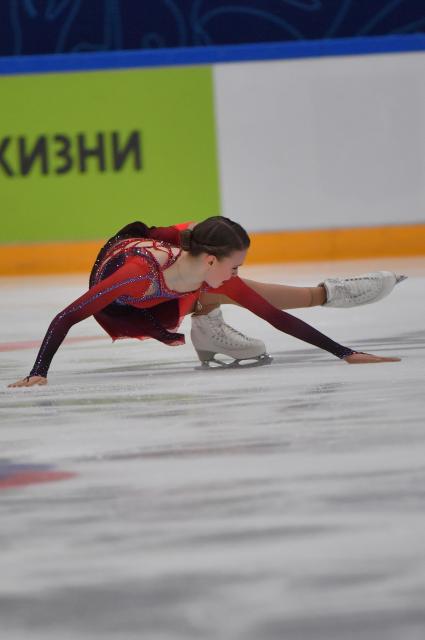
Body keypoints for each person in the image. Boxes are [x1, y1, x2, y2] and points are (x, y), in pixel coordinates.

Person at [8, 217, 403, 388]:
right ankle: (211, 322)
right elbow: (69, 314)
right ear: (213, 259)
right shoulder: (134, 275)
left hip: (181, 275)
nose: (237, 273)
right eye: (235, 265)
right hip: (128, 302)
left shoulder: (212, 269)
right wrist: (39, 371)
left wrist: (345, 352)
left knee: (238, 289)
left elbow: (274, 317)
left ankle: (327, 293)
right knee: (215, 287)